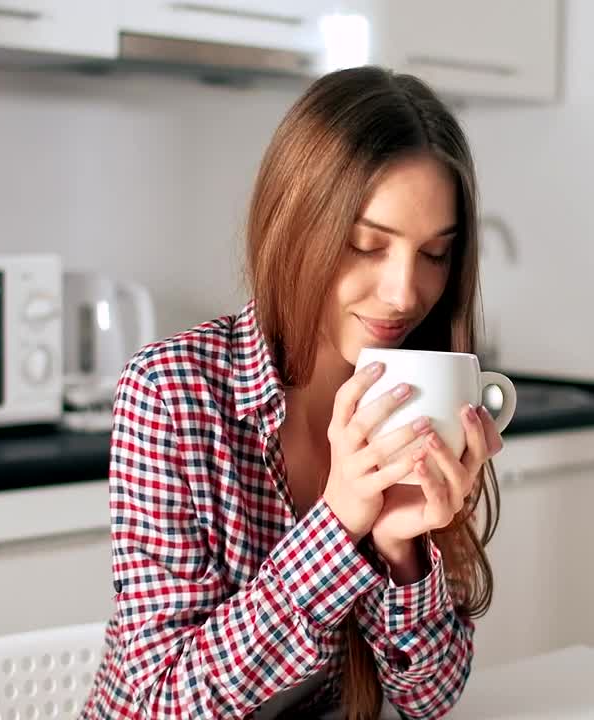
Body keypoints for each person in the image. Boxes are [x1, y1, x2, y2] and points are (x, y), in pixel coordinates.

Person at [82, 66, 503, 720]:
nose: (404, 292)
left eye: (435, 254)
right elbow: (162, 702)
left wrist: (400, 549)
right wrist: (336, 527)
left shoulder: (424, 395)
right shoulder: (172, 394)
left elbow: (431, 700)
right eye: (367, 245)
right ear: (296, 224)